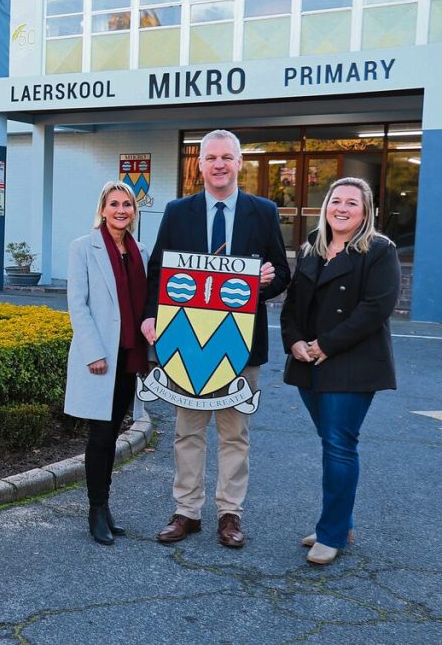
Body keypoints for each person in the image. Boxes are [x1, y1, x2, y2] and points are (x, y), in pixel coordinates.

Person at [141, 129, 290, 548]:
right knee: (188, 432)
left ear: (239, 162)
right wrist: (151, 316)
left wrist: (264, 282)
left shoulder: (263, 211)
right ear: (200, 165)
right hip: (186, 343)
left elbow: (282, 272)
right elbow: (158, 271)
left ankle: (230, 514)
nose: (219, 164)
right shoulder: (177, 211)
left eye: (227, 157)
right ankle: (186, 512)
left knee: (234, 434)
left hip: (240, 344)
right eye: (211, 158)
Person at [280, 177, 400, 565]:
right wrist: (295, 341)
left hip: (351, 363)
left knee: (339, 445)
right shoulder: (310, 248)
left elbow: (376, 309)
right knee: (332, 443)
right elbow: (292, 305)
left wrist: (325, 345)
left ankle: (332, 535)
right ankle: (339, 523)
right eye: (336, 200)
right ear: (325, 206)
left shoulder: (379, 250)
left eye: (352, 202)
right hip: (308, 361)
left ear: (365, 212)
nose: (342, 208)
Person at [65, 180, 150, 545]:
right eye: (114, 204)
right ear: (102, 209)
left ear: (134, 211)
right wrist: (94, 352)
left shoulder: (140, 250)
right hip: (100, 357)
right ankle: (96, 509)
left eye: (126, 204)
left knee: (113, 435)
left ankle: (105, 506)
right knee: (100, 437)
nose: (120, 210)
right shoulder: (83, 247)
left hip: (129, 356)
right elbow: (77, 304)